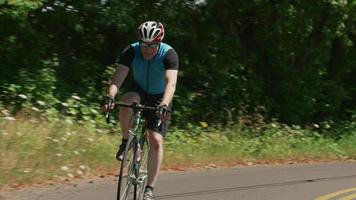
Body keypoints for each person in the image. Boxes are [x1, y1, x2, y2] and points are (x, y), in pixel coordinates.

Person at [103, 21, 179, 200]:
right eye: (144, 44)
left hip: (160, 95)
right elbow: (118, 78)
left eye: (151, 45)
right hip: (138, 88)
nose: (147, 48)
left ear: (159, 42)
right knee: (127, 102)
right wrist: (110, 96)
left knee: (156, 140)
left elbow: (171, 83)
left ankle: (149, 189)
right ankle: (125, 142)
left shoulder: (169, 54)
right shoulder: (131, 51)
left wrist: (165, 104)